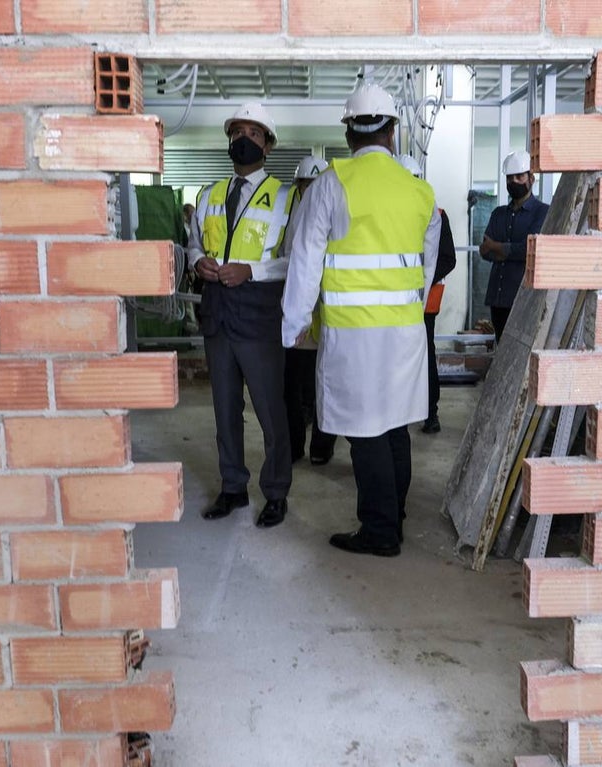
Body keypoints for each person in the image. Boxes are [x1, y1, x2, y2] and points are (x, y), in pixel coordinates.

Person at [282, 82, 441, 557]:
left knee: (365, 430)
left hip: (354, 335)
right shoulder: (421, 192)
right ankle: (396, 513)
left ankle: (379, 531)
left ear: (349, 134)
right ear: (393, 131)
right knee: (395, 426)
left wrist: (291, 327)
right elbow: (424, 268)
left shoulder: (332, 184)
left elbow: (305, 262)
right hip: (405, 333)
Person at [188, 102, 294, 529]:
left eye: (254, 132)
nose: (243, 139)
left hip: (259, 318)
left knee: (271, 412)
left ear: (267, 144)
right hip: (217, 316)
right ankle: (233, 487)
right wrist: (198, 261)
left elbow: (295, 260)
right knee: (224, 410)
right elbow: (193, 241)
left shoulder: (287, 197)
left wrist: (253, 270)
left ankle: (276, 492)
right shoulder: (208, 193)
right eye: (237, 132)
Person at [282, 156, 338, 466]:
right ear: (299, 185)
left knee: (324, 387)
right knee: (293, 386)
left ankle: (322, 445)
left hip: (329, 316)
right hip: (300, 318)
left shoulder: (335, 211)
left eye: (314, 184)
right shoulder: (291, 215)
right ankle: (294, 445)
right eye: (305, 184)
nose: (310, 189)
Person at [397, 154, 456, 434]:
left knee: (426, 355)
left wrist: (421, 278)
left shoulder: (437, 214)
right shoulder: (391, 214)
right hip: (395, 299)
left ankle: (430, 413)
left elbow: (448, 258)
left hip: (425, 301)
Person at [479, 150, 550, 344]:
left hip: (523, 299)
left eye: (519, 176)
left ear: (531, 178)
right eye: (510, 178)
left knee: (521, 352)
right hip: (498, 298)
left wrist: (499, 248)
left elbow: (531, 251)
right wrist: (509, 251)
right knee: (502, 349)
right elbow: (485, 251)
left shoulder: (542, 212)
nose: (514, 182)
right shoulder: (498, 214)